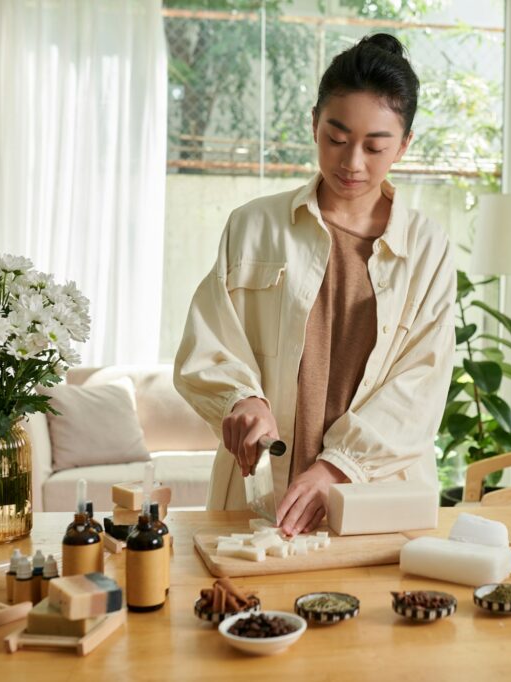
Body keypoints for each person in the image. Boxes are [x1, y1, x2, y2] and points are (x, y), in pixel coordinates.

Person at [174, 33, 455, 537]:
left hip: (373, 495)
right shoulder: (253, 226)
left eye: (375, 146)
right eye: (337, 137)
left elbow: (422, 384)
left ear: (405, 145)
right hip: (259, 492)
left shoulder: (429, 249)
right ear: (314, 123)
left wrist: (337, 467)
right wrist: (241, 399)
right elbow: (209, 341)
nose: (352, 163)